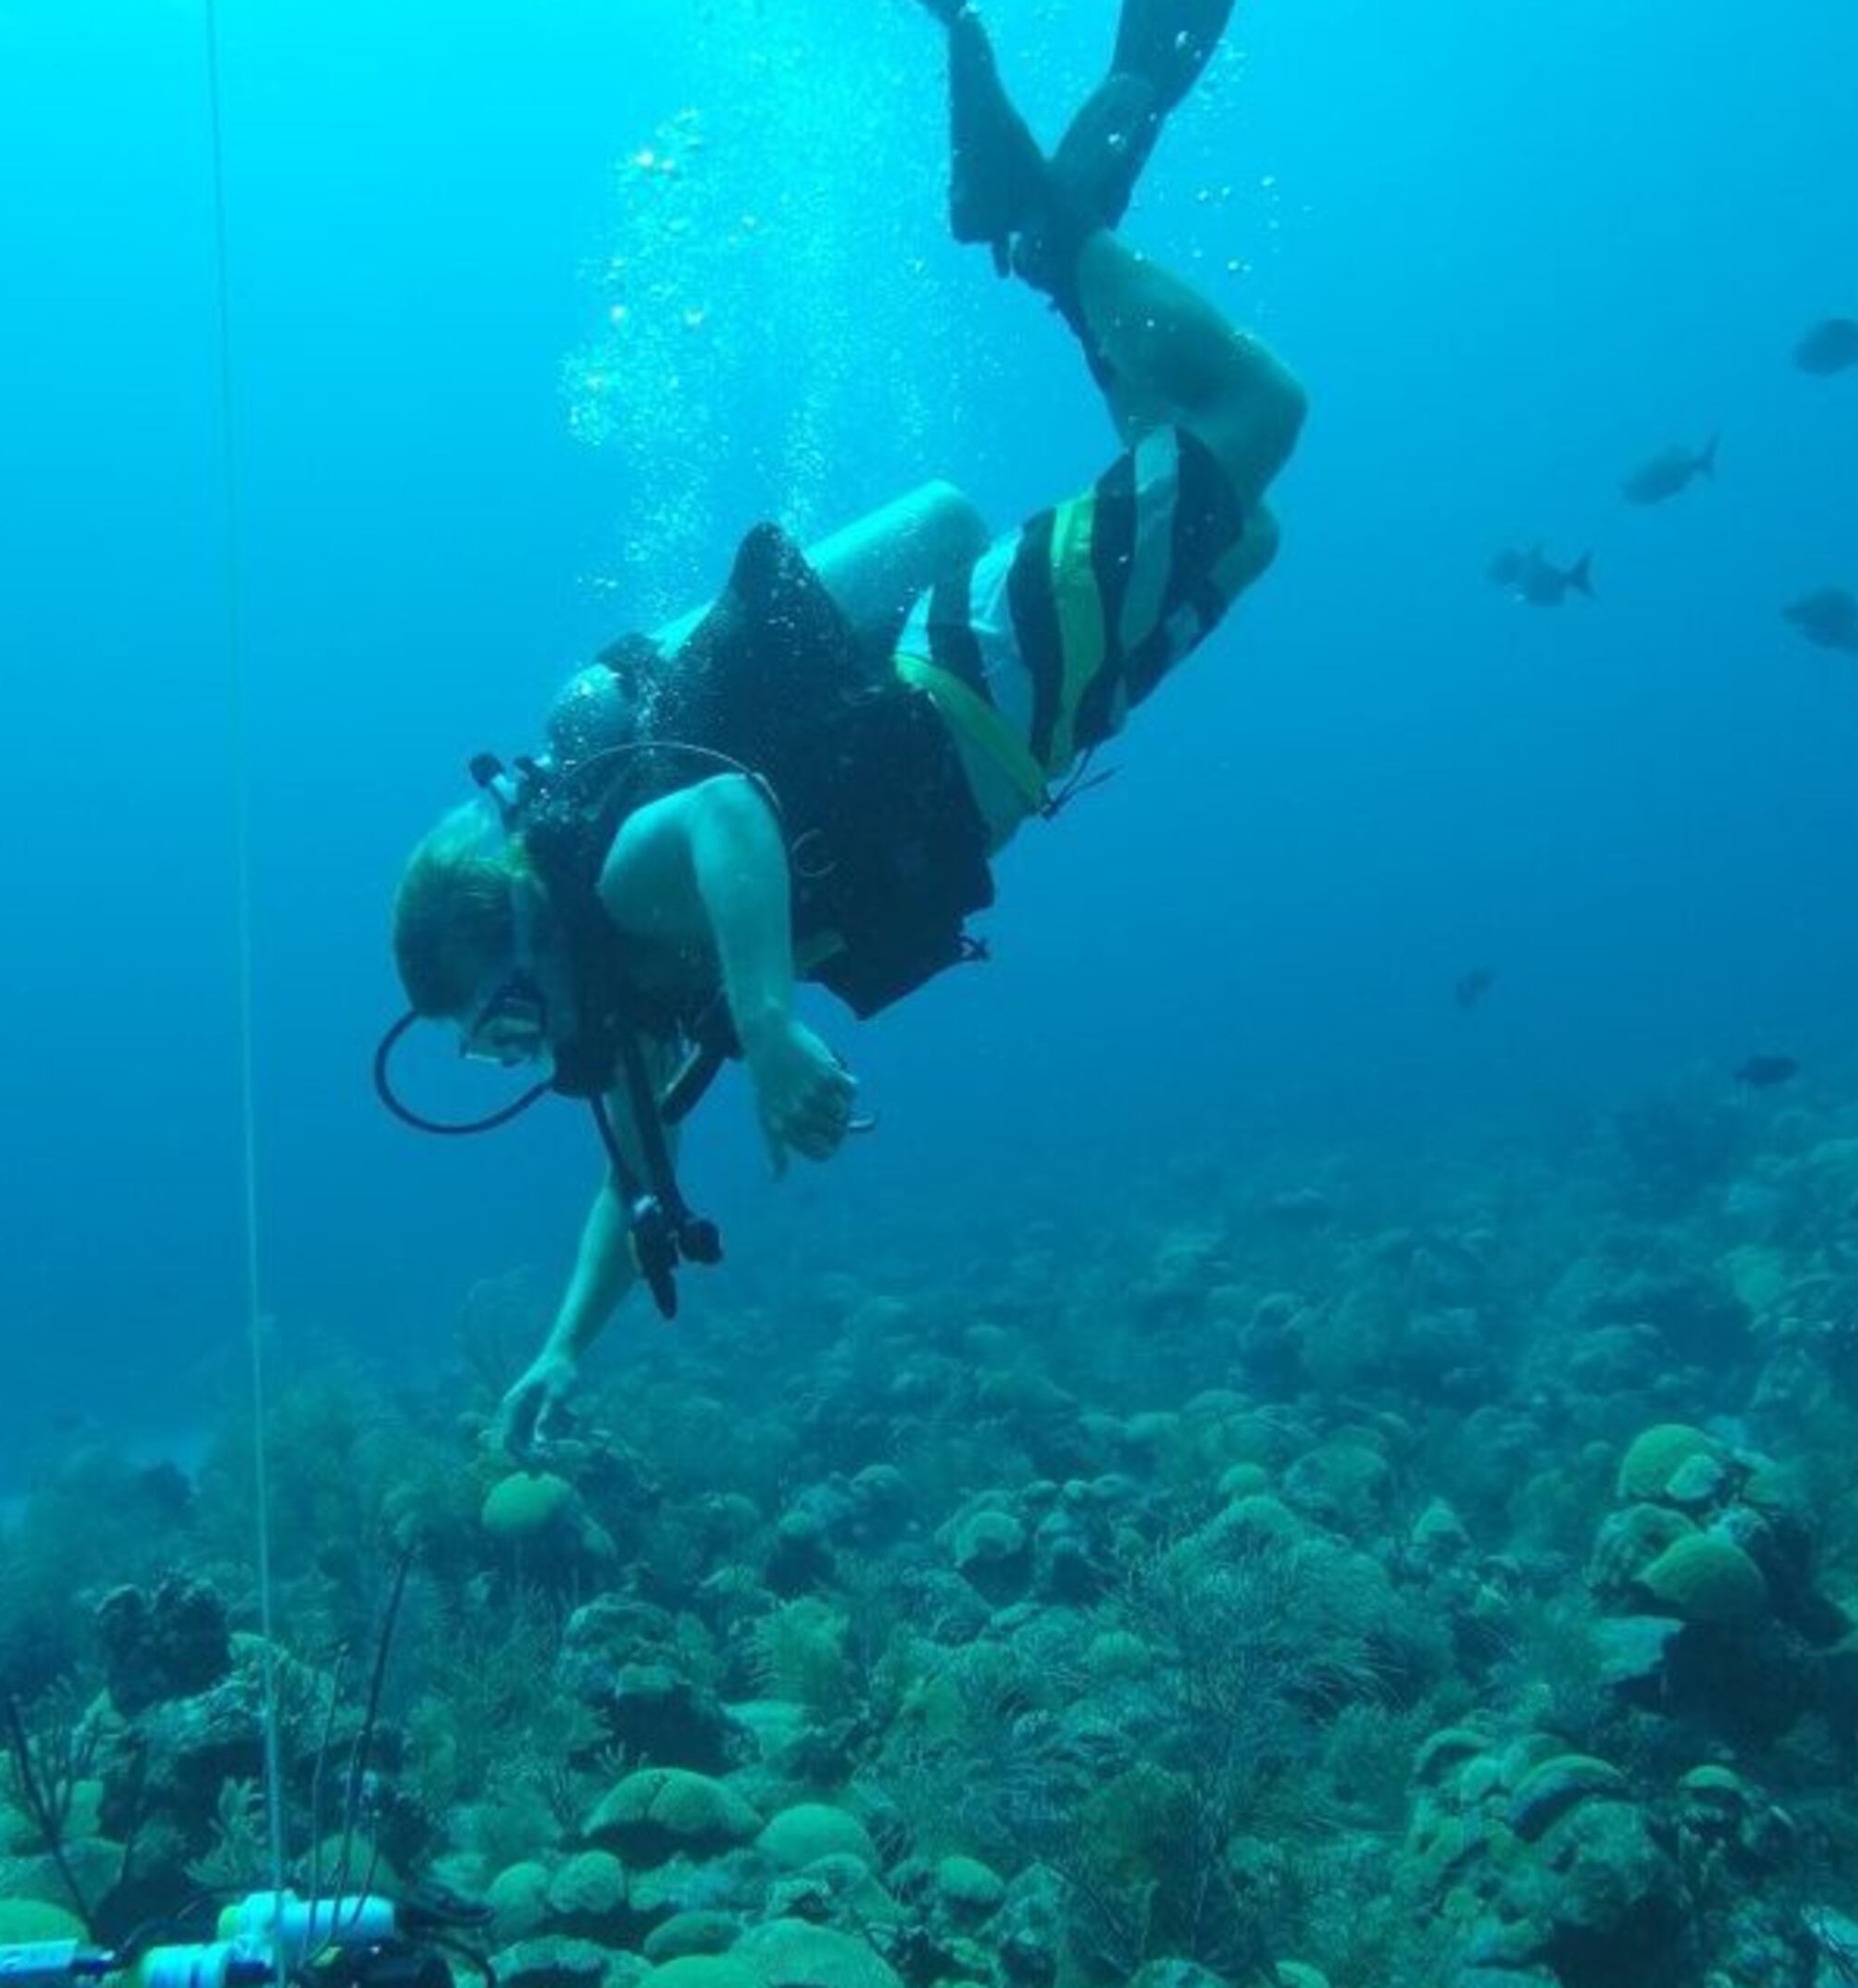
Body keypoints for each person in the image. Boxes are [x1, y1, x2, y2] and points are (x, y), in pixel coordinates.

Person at [382, 0, 1306, 1458]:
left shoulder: (615, 885)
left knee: (1259, 415)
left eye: (498, 1022)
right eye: (491, 1051)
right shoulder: (627, 999)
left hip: (965, 683)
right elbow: (633, 1180)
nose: (515, 1054)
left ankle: (1054, 235)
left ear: (517, 933)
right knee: (1239, 533)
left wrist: (767, 1021)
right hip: (1021, 749)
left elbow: (729, 817)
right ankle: (1070, 217)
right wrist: (561, 1350)